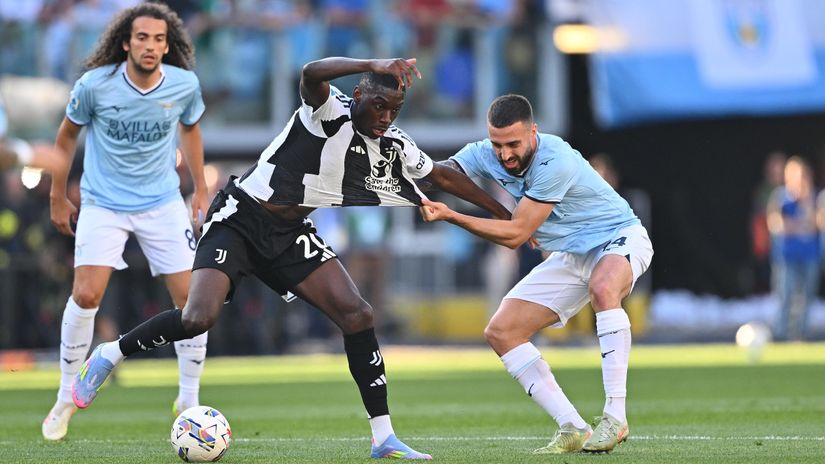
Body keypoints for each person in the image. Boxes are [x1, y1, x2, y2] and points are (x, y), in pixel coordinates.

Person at [72, 56, 511, 460]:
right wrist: (370, 62)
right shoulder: (326, 111)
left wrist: (507, 216)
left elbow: (442, 176)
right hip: (240, 219)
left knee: (358, 314)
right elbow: (311, 73)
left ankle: (383, 437)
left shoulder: (392, 142)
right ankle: (110, 353)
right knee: (197, 318)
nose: (385, 117)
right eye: (378, 106)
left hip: (288, 235)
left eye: (394, 110)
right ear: (358, 94)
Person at [419, 94, 653, 454]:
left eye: (514, 143)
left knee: (604, 287)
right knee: (501, 331)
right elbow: (441, 173)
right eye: (497, 144)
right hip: (572, 254)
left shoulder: (554, 159)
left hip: (619, 238)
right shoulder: (486, 151)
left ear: (534, 132)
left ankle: (615, 417)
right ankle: (573, 427)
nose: (505, 154)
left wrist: (451, 215)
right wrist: (407, 163)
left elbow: (515, 234)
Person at [42, 3, 211, 441]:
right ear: (125, 42)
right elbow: (66, 135)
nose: (151, 46)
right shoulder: (95, 85)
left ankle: (188, 399)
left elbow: (190, 130)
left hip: (161, 202)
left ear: (167, 46)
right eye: (142, 38)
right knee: (86, 293)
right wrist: (58, 196)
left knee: (193, 302)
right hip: (103, 202)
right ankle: (65, 397)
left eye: (159, 39)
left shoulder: (183, 85)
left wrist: (201, 190)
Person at [769, 156, 819, 341]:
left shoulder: (814, 198)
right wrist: (798, 225)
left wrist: (806, 203)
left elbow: (816, 224)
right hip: (787, 257)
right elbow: (777, 224)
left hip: (810, 256)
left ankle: (802, 334)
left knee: (807, 298)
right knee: (785, 297)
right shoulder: (781, 197)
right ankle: (781, 334)